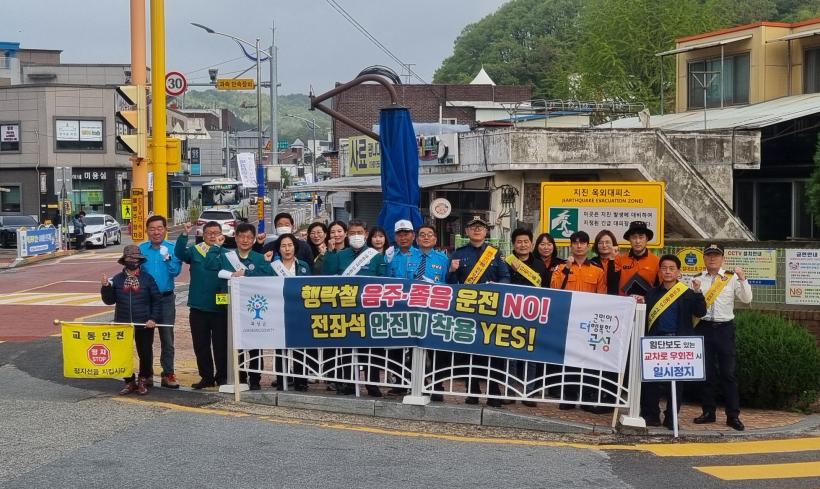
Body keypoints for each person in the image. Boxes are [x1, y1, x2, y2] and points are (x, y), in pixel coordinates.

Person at [447, 215, 510, 407]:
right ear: (467, 231)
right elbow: (450, 284)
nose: (477, 230)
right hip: (467, 310)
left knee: (492, 351)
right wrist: (451, 271)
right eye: (473, 227)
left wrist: (496, 286)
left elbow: (505, 277)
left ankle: (493, 392)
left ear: (486, 231)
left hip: (490, 310)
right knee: (470, 352)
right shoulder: (458, 254)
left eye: (480, 227)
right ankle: (472, 391)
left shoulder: (495, 253)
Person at [205, 222, 274, 391]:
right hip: (229, 307)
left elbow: (268, 275)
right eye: (241, 236)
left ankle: (255, 378)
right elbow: (209, 265)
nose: (245, 240)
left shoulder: (259, 257)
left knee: (254, 345)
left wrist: (246, 273)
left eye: (249, 237)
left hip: (253, 309)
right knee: (235, 344)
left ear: (254, 239)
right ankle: (240, 376)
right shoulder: (226, 255)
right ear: (235, 237)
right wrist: (216, 246)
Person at [641, 255, 706, 429]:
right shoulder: (652, 293)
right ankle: (651, 415)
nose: (667, 271)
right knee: (651, 381)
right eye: (664, 268)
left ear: (678, 272)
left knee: (676, 384)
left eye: (671, 268)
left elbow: (700, 312)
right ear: (659, 271)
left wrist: (698, 292)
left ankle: (671, 418)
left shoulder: (688, 293)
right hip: (655, 342)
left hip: (678, 342)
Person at [322, 219, 386, 396]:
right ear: (347, 235)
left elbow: (383, 281)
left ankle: (372, 384)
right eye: (352, 233)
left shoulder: (376, 256)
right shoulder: (340, 255)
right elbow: (328, 276)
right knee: (347, 348)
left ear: (366, 234)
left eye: (359, 233)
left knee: (371, 350)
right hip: (346, 309)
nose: (356, 236)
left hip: (369, 310)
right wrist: (330, 253)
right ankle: (349, 383)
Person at [692, 243, 752, 431]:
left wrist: (742, 279)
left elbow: (747, 299)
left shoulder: (731, 278)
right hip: (703, 327)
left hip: (725, 329)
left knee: (728, 374)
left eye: (716, 255)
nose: (712, 258)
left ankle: (733, 416)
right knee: (707, 373)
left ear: (722, 258)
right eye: (709, 255)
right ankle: (708, 412)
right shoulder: (696, 279)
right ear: (704, 258)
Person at [549, 231, 606, 410]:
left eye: (582, 243)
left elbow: (602, 296)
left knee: (588, 360)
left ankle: (586, 396)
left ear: (588, 246)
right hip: (568, 320)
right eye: (575, 243)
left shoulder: (597, 270)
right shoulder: (560, 268)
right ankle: (569, 395)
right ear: (570, 246)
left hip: (589, 322)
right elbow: (554, 288)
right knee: (569, 358)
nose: (579, 246)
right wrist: (566, 268)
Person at [101, 245, 161, 396]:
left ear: (140, 261)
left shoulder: (147, 278)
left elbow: (156, 300)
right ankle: (129, 381)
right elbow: (109, 301)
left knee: (145, 353)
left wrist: (153, 318)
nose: (133, 261)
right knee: (123, 353)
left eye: (135, 258)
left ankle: (143, 379)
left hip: (144, 323)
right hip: (123, 323)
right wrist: (106, 287)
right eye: (129, 258)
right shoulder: (116, 279)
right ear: (124, 260)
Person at [175, 221, 228, 389]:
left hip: (220, 308)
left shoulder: (226, 253)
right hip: (198, 306)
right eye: (209, 233)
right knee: (201, 345)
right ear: (203, 235)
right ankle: (206, 377)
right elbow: (179, 253)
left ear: (221, 235)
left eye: (216, 233)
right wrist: (184, 235)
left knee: (221, 345)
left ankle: (223, 376)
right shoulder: (194, 250)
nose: (212, 236)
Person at [506, 227, 548, 407]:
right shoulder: (506, 262)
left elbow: (546, 289)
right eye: (519, 242)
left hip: (533, 315)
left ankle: (529, 392)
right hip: (510, 314)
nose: (522, 245)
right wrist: (515, 271)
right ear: (513, 244)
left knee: (530, 356)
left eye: (526, 242)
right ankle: (510, 391)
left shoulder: (539, 265)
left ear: (531, 244)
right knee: (511, 355)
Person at [138, 215, 182, 389]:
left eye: (159, 228)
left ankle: (168, 374)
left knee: (167, 338)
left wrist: (168, 258)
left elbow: (175, 272)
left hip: (165, 299)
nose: (156, 232)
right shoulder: (141, 249)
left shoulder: (172, 249)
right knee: (144, 339)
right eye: (152, 229)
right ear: (147, 231)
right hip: (145, 300)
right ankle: (146, 374)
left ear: (165, 229)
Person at [269, 233, 313, 392]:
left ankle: (301, 381)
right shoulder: (273, 267)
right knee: (281, 348)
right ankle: (282, 380)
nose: (287, 249)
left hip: (299, 312)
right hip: (279, 312)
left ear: (295, 247)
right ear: (278, 249)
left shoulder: (303, 266)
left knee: (300, 347)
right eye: (283, 246)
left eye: (290, 245)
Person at [616, 221, 659, 298]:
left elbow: (660, 288)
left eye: (641, 237)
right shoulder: (620, 260)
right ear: (629, 239)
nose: (637, 241)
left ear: (647, 239)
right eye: (634, 237)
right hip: (624, 303)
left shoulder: (657, 261)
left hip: (647, 303)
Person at [589, 229, 621, 296]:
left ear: (614, 244)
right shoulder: (591, 263)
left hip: (616, 298)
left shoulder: (621, 262)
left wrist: (612, 259)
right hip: (596, 298)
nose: (604, 245)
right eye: (600, 243)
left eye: (607, 242)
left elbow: (613, 282)